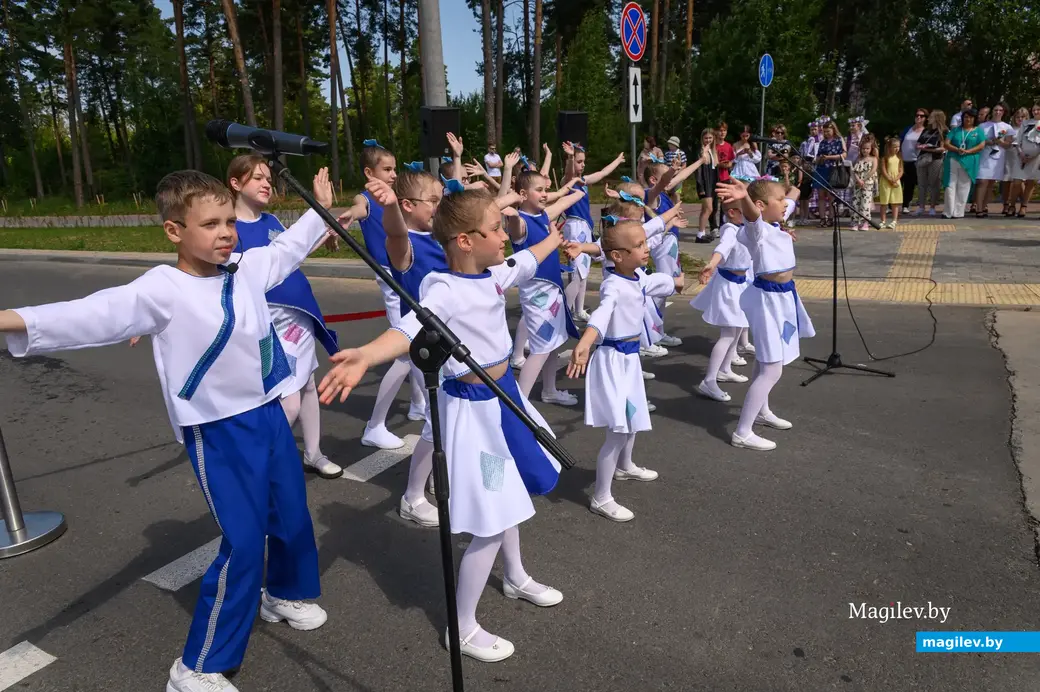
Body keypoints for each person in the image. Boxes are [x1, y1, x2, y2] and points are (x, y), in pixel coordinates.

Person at [1, 170, 336, 692]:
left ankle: (283, 593)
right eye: (211, 224)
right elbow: (90, 314)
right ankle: (197, 666)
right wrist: (9, 319)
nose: (227, 232)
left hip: (269, 412)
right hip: (217, 429)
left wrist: (326, 209)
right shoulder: (162, 288)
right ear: (174, 231)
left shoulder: (245, 268)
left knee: (292, 515)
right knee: (244, 542)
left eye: (229, 221)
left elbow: (289, 247)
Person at [317, 189, 571, 663]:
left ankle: (514, 577)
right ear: (464, 241)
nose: (504, 236)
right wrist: (365, 356)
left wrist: (553, 240)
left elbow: (528, 261)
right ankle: (463, 627)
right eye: (495, 229)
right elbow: (410, 328)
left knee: (511, 492)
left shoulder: (494, 274)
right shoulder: (443, 288)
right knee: (491, 520)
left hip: (503, 398)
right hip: (473, 413)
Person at [227, 154, 343, 479]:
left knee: (308, 386)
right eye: (258, 178)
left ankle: (314, 453)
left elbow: (288, 256)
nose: (268, 184)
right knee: (287, 401)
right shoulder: (229, 231)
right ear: (235, 184)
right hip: (269, 326)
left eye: (268, 178)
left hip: (300, 317)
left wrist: (322, 238)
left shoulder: (271, 222)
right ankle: (257, 466)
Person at [567, 219, 682, 523]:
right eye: (640, 246)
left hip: (630, 361)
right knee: (617, 430)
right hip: (613, 361)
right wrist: (586, 341)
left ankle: (625, 466)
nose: (647, 249)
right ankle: (601, 497)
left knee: (631, 418)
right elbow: (603, 314)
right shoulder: (613, 285)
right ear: (617, 256)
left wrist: (679, 283)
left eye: (646, 243)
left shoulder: (638, 276)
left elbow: (657, 282)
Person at [341, 141, 427, 450]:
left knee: (417, 344)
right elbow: (357, 208)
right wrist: (349, 214)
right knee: (404, 349)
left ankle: (419, 403)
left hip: (405, 274)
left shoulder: (395, 199)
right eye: (386, 169)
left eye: (394, 168)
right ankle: (374, 425)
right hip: (392, 278)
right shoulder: (365, 199)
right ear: (369, 172)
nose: (393, 175)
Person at [717, 178, 810, 451]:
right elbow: (752, 216)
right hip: (767, 300)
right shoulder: (756, 231)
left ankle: (762, 410)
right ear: (760, 206)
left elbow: (790, 196)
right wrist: (744, 196)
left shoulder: (775, 222)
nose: (785, 205)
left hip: (783, 298)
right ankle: (743, 431)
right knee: (772, 368)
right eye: (779, 201)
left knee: (766, 358)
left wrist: (797, 176)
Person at [507, 171, 587, 404]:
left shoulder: (543, 216)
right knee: (541, 348)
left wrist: (576, 186)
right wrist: (511, 214)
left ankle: (549, 391)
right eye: (539, 190)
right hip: (537, 294)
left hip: (553, 291)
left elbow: (564, 200)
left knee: (553, 344)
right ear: (523, 194)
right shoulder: (521, 221)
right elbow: (516, 228)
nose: (545, 195)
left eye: (545, 190)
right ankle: (519, 404)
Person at [691, 197, 757, 402]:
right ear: (732, 213)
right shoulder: (730, 230)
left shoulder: (746, 228)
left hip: (740, 284)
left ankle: (725, 368)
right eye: (745, 210)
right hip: (728, 286)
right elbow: (723, 248)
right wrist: (711, 264)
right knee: (728, 332)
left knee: (737, 328)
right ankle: (709, 380)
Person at [559, 142, 626, 321]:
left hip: (585, 228)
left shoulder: (584, 181)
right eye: (579, 162)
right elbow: (568, 173)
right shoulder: (568, 182)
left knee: (583, 273)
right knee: (577, 273)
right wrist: (570, 157)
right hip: (575, 227)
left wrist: (617, 161)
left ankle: (578, 310)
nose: (582, 165)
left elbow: (603, 173)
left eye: (583, 162)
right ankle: (563, 312)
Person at [943, 107, 986, 219]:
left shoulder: (978, 131)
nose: (968, 119)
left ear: (974, 119)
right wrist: (957, 149)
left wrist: (968, 151)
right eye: (966, 117)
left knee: (964, 186)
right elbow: (946, 143)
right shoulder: (956, 130)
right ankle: (948, 212)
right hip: (953, 158)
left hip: (969, 161)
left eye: (971, 117)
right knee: (950, 185)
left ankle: (958, 212)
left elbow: (981, 145)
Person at [974, 103, 1011, 217]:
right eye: (995, 110)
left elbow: (1008, 144)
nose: (998, 112)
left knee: (991, 182)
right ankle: (978, 208)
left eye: (1000, 110)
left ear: (1003, 112)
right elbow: (977, 140)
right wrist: (989, 142)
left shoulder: (1007, 127)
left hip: (998, 156)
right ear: (992, 112)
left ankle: (984, 206)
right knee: (982, 181)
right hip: (985, 155)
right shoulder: (983, 126)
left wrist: (999, 141)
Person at [915, 110, 948, 216]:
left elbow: (943, 148)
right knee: (921, 183)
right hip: (923, 158)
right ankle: (921, 206)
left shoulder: (944, 131)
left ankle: (932, 206)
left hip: (936, 159)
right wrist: (920, 146)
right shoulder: (926, 130)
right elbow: (918, 143)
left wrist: (929, 148)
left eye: (931, 116)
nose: (929, 118)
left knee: (934, 183)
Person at [900, 108, 927, 215]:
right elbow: (900, 142)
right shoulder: (908, 129)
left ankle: (905, 204)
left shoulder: (925, 132)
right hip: (903, 159)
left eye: (921, 116)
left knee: (909, 184)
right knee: (897, 182)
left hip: (915, 160)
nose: (918, 117)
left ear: (925, 118)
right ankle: (891, 205)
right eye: (917, 115)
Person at [851, 134, 878, 231]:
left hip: (868, 184)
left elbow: (873, 170)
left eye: (867, 148)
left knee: (865, 204)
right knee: (855, 203)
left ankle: (865, 222)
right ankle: (855, 222)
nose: (865, 150)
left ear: (871, 149)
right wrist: (858, 180)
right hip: (858, 184)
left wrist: (864, 180)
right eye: (863, 149)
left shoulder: (873, 159)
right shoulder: (859, 159)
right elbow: (854, 171)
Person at [878, 136, 904, 229]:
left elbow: (901, 170)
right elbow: (883, 170)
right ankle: (883, 220)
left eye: (898, 146)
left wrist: (896, 179)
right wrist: (890, 179)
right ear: (889, 147)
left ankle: (894, 220)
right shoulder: (885, 158)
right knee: (884, 202)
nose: (897, 149)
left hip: (896, 181)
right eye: (894, 147)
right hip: (886, 181)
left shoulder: (899, 157)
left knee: (895, 202)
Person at [664, 136, 688, 202]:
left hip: (678, 176)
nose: (669, 145)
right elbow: (665, 165)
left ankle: (678, 208)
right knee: (669, 193)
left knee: (677, 193)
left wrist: (677, 172)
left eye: (671, 144)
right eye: (669, 144)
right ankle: (671, 208)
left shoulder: (681, 153)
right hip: (669, 176)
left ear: (675, 145)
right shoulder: (667, 153)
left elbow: (684, 165)